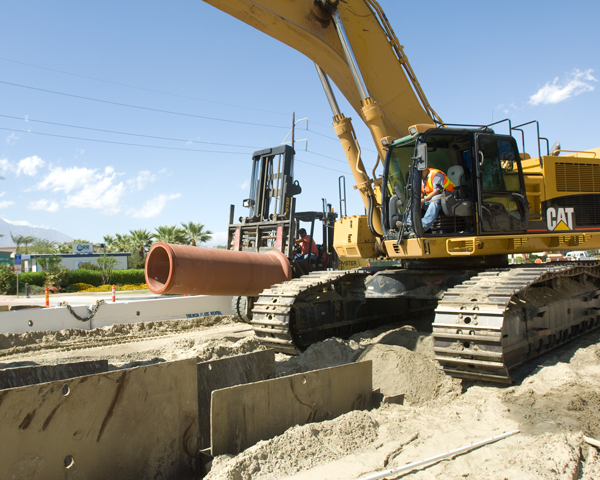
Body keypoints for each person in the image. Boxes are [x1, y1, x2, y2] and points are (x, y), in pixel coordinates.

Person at [407, 167, 455, 233]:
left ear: (424, 169)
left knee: (435, 199)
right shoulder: (421, 177)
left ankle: (423, 225)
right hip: (431, 197)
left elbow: (436, 191)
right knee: (415, 202)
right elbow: (421, 191)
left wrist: (423, 200)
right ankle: (408, 225)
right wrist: (418, 200)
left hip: (448, 195)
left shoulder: (436, 174)